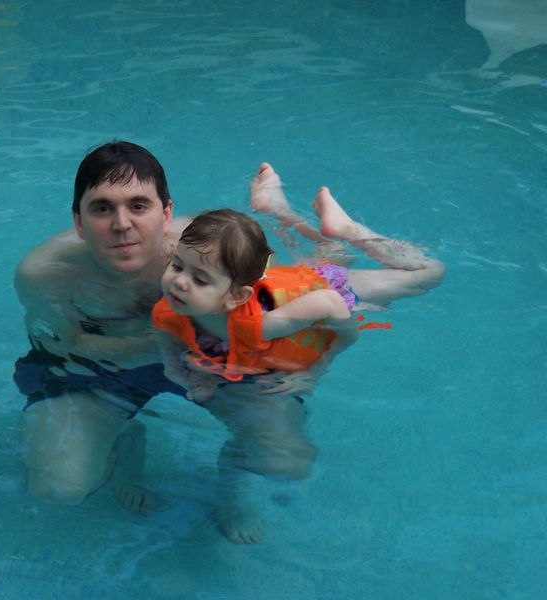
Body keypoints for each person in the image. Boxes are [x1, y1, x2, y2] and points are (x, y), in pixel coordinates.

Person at [152, 165, 444, 543]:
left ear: (237, 296)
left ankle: (350, 230)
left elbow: (331, 305)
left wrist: (316, 370)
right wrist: (192, 377)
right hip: (287, 285)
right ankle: (276, 206)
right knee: (324, 256)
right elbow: (170, 350)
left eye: (199, 278)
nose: (179, 281)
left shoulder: (261, 324)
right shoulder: (170, 309)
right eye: (177, 266)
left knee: (428, 273)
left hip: (323, 291)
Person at [14, 141, 192, 514]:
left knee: (283, 456)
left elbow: (274, 301)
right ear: (79, 221)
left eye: (138, 206)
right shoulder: (47, 274)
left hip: (191, 359)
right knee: (56, 488)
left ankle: (238, 495)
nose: (122, 224)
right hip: (99, 374)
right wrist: (162, 344)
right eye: (102, 208)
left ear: (166, 214)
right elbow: (65, 347)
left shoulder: (202, 248)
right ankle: (124, 439)